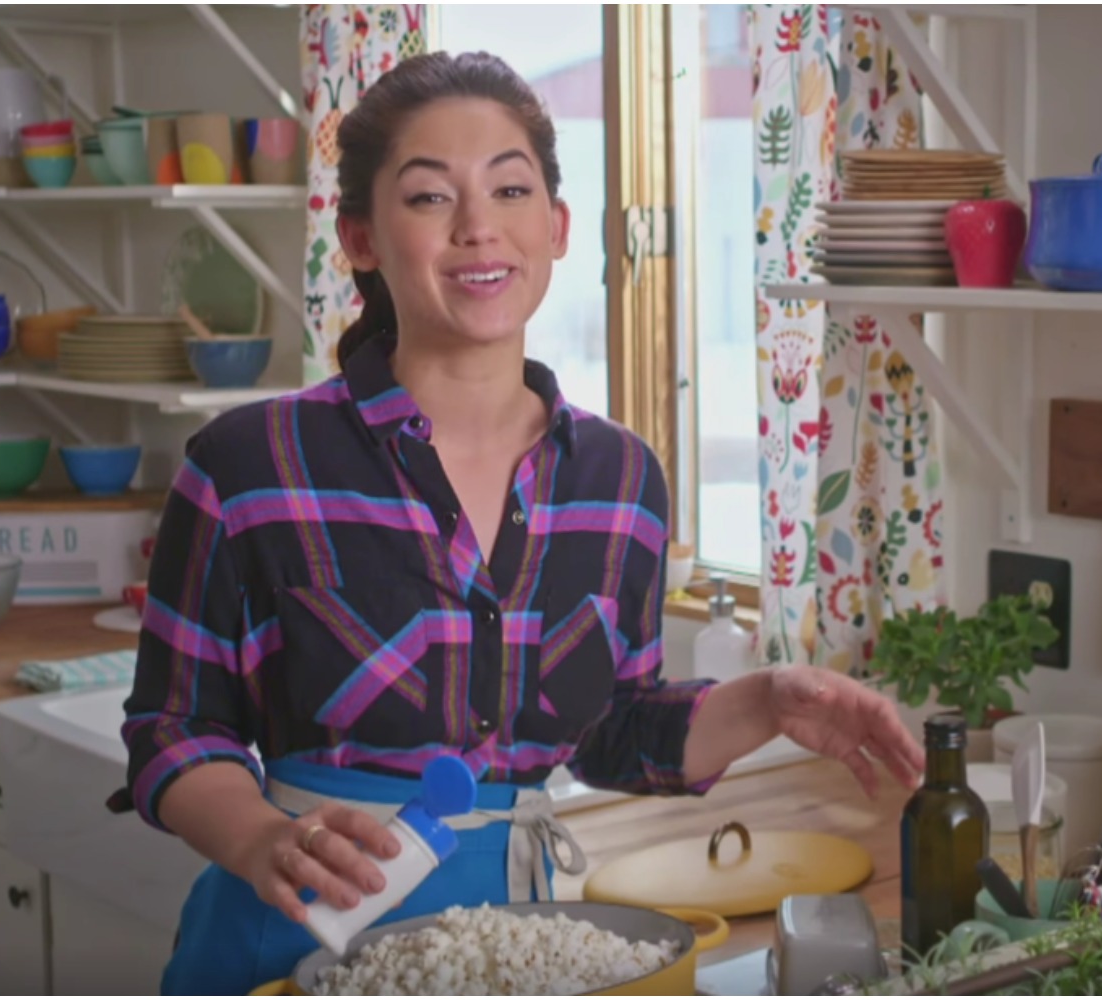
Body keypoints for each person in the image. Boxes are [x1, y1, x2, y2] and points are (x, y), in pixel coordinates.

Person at [121, 50, 925, 995]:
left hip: (515, 946)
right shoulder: (250, 465)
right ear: (361, 237)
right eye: (428, 198)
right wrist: (262, 838)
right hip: (289, 939)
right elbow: (174, 730)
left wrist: (766, 702)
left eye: (510, 189)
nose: (478, 229)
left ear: (557, 226)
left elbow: (608, 729)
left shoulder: (621, 479)